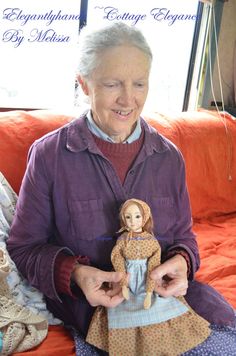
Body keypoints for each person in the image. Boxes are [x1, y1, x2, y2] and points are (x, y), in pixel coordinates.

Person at [7, 22, 235, 355]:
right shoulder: (49, 156)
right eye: (113, 83)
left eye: (139, 83)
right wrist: (77, 274)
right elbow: (25, 247)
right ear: (84, 84)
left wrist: (182, 263)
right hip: (98, 311)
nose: (128, 99)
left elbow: (185, 238)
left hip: (173, 304)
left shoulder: (169, 157)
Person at [86, 199, 210, 356]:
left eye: (137, 216)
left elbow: (153, 265)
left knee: (159, 305)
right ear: (123, 219)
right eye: (128, 217)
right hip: (128, 279)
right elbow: (118, 260)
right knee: (119, 307)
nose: (132, 221)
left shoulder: (151, 241)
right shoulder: (122, 240)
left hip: (147, 278)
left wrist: (150, 291)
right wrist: (124, 284)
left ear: (144, 217)